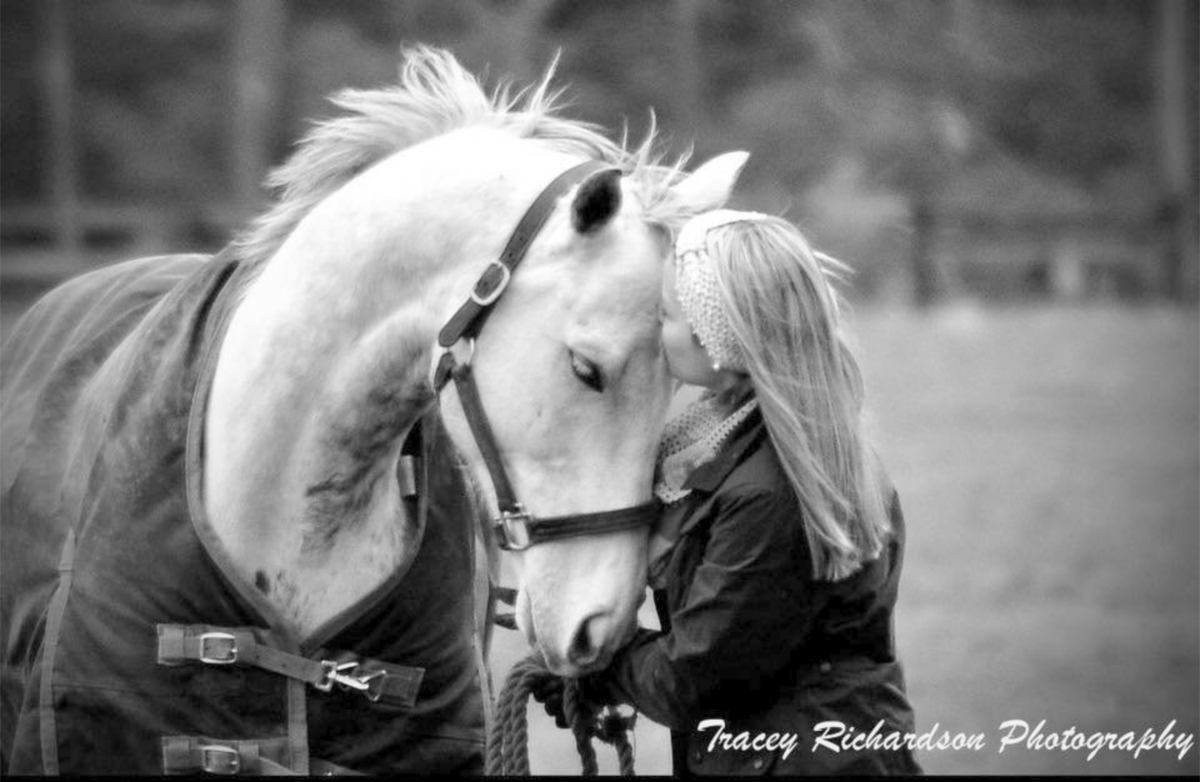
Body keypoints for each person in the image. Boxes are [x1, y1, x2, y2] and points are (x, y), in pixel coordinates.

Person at [557, 210, 922, 776]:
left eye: (666, 315)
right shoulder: (782, 446)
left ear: (717, 338)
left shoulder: (766, 495)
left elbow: (689, 679)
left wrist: (594, 659)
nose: (656, 329)